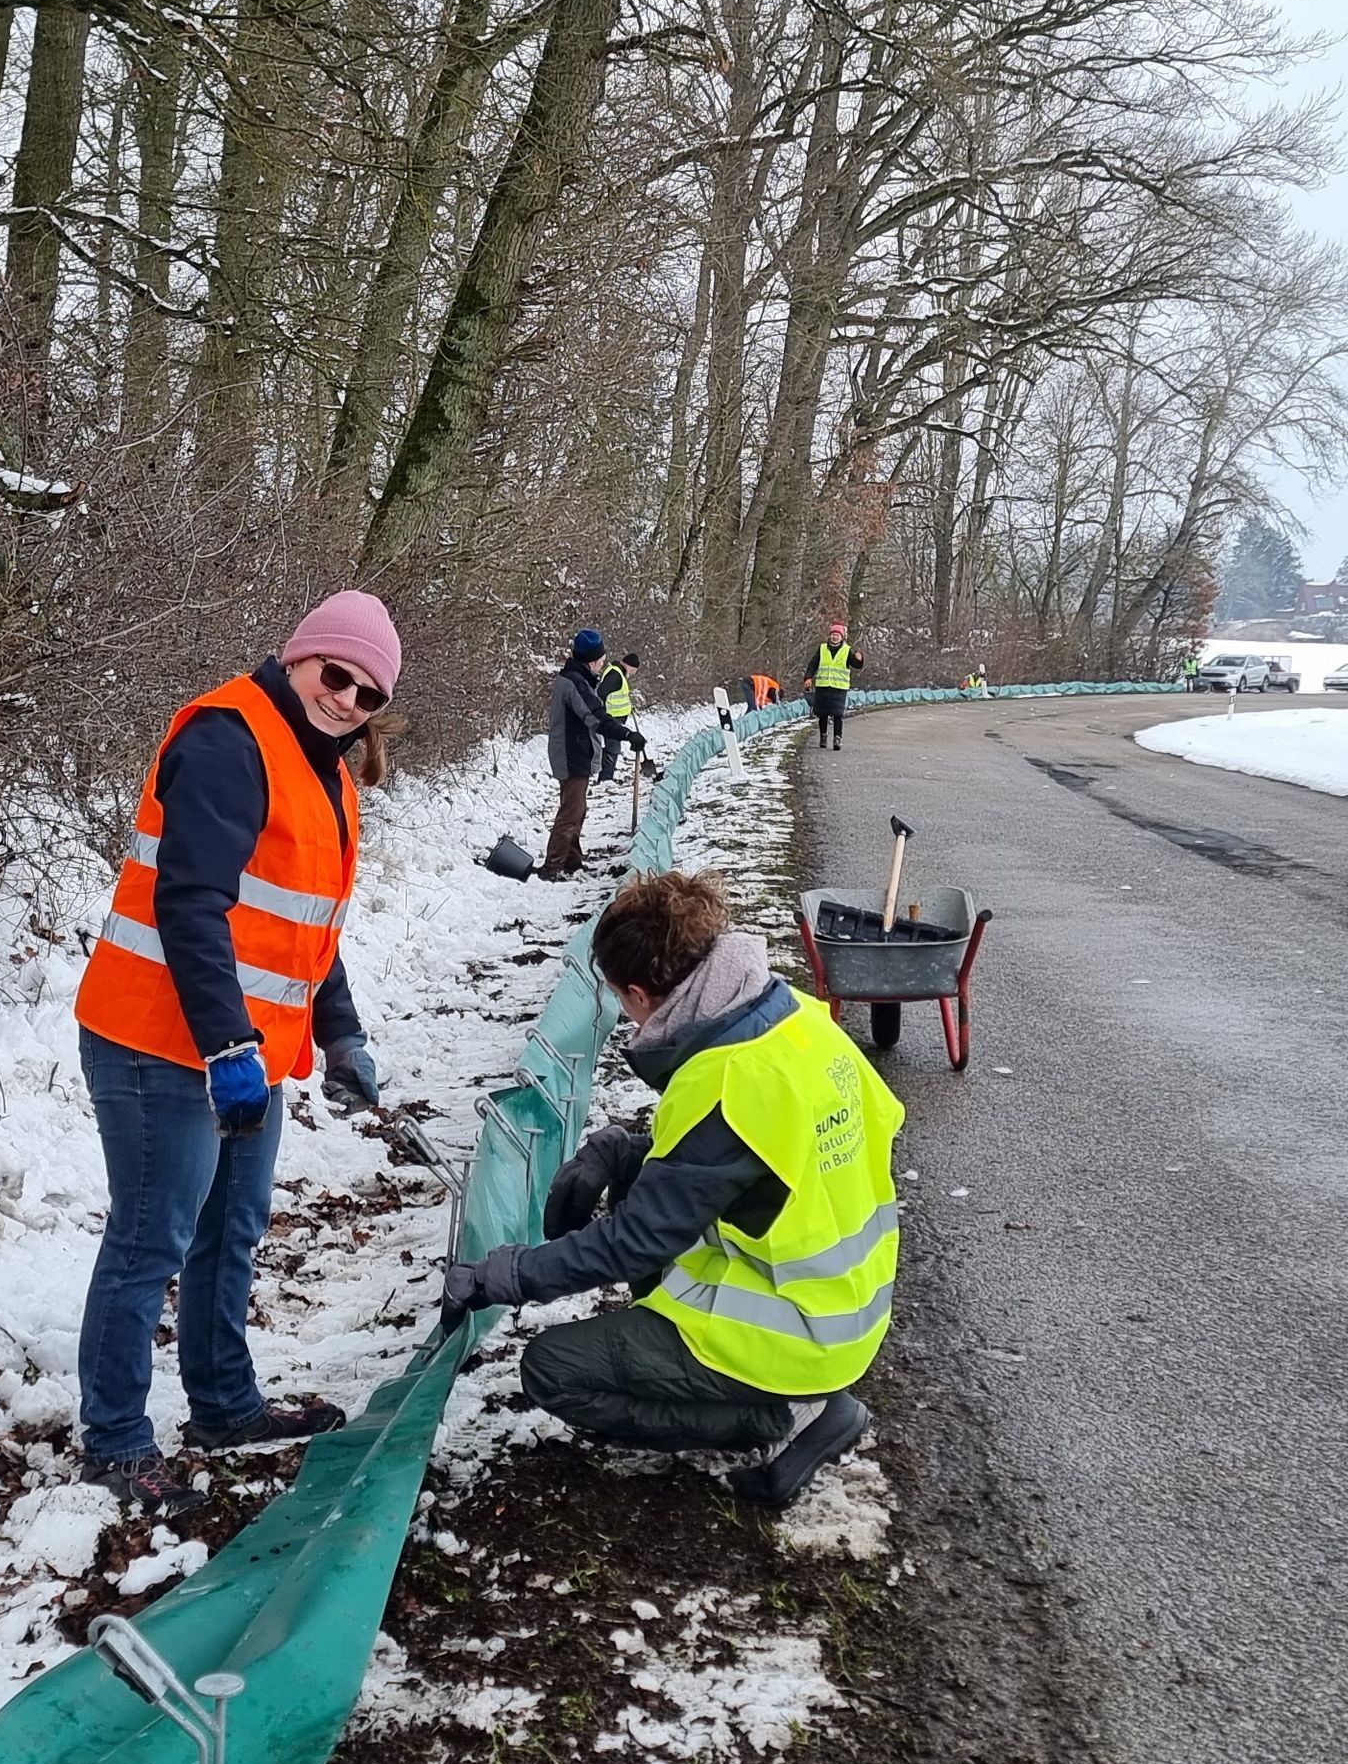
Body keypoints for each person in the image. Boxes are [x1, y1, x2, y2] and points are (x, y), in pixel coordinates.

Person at [70, 592, 401, 1505]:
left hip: (241, 1048)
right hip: (156, 1037)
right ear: (300, 658)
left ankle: (222, 1404)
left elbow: (302, 929)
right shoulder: (228, 738)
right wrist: (227, 1047)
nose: (344, 699)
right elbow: (190, 903)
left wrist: (340, 1036)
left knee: (232, 1227)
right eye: (335, 675)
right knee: (151, 1238)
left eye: (367, 694)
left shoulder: (325, 768)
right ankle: (116, 1440)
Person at [433, 871, 900, 1515]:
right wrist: (622, 1150)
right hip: (847, 1299)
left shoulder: (728, 1081)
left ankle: (782, 1415)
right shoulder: (787, 1019)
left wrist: (506, 1274)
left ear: (639, 994)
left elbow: (634, 1241)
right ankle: (795, 1393)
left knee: (552, 1370)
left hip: (798, 1328)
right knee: (639, 1199)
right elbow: (734, 1165)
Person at [542, 625, 612, 877]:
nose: (603, 665)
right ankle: (552, 867)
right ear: (592, 661)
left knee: (577, 808)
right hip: (572, 754)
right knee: (571, 812)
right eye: (602, 660)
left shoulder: (577, 678)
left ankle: (572, 860)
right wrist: (626, 734)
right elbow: (595, 716)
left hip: (575, 752)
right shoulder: (574, 682)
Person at [807, 621, 855, 752]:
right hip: (823, 686)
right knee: (822, 714)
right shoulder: (822, 648)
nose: (835, 637)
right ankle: (823, 736)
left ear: (841, 637)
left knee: (838, 714)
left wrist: (859, 659)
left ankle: (837, 738)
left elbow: (856, 664)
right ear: (830, 636)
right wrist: (808, 677)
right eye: (833, 634)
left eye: (837, 635)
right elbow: (813, 664)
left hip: (839, 688)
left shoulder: (847, 651)